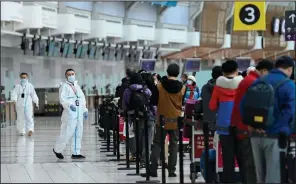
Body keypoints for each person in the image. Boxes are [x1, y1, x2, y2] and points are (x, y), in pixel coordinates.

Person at [241, 56, 295, 183]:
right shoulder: (288, 85)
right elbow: (290, 110)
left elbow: (244, 105)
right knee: (273, 176)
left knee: (260, 176)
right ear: (289, 69)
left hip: (254, 134)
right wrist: (276, 127)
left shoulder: (259, 81)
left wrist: (251, 125)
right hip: (275, 136)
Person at [231, 59, 274, 184]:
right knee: (251, 165)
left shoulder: (249, 80)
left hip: (242, 127)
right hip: (247, 129)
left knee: (248, 165)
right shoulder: (254, 83)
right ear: (264, 71)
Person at [143, 63, 186, 178]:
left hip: (161, 120)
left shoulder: (160, 86)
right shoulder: (182, 87)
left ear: (167, 72)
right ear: (177, 73)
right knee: (174, 144)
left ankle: (153, 169)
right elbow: (182, 102)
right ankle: (171, 171)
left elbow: (153, 101)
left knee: (157, 143)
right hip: (176, 119)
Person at [209, 60, 243, 183]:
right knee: (242, 157)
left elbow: (212, 106)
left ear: (223, 72)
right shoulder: (242, 85)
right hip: (240, 125)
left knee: (228, 158)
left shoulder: (218, 88)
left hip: (224, 126)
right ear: (237, 70)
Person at [53, 69, 88, 159]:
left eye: (73, 74)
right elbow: (62, 100)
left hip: (79, 113)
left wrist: (85, 110)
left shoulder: (77, 86)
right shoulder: (64, 87)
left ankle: (76, 153)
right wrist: (69, 105)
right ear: (66, 76)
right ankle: (57, 149)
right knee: (67, 133)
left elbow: (82, 99)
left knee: (78, 133)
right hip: (70, 114)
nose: (72, 76)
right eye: (69, 74)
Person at [122, 73, 153, 167]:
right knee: (148, 140)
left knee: (138, 139)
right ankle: (145, 160)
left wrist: (128, 114)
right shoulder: (146, 90)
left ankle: (138, 157)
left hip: (137, 118)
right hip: (149, 117)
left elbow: (125, 105)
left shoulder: (128, 91)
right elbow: (151, 102)